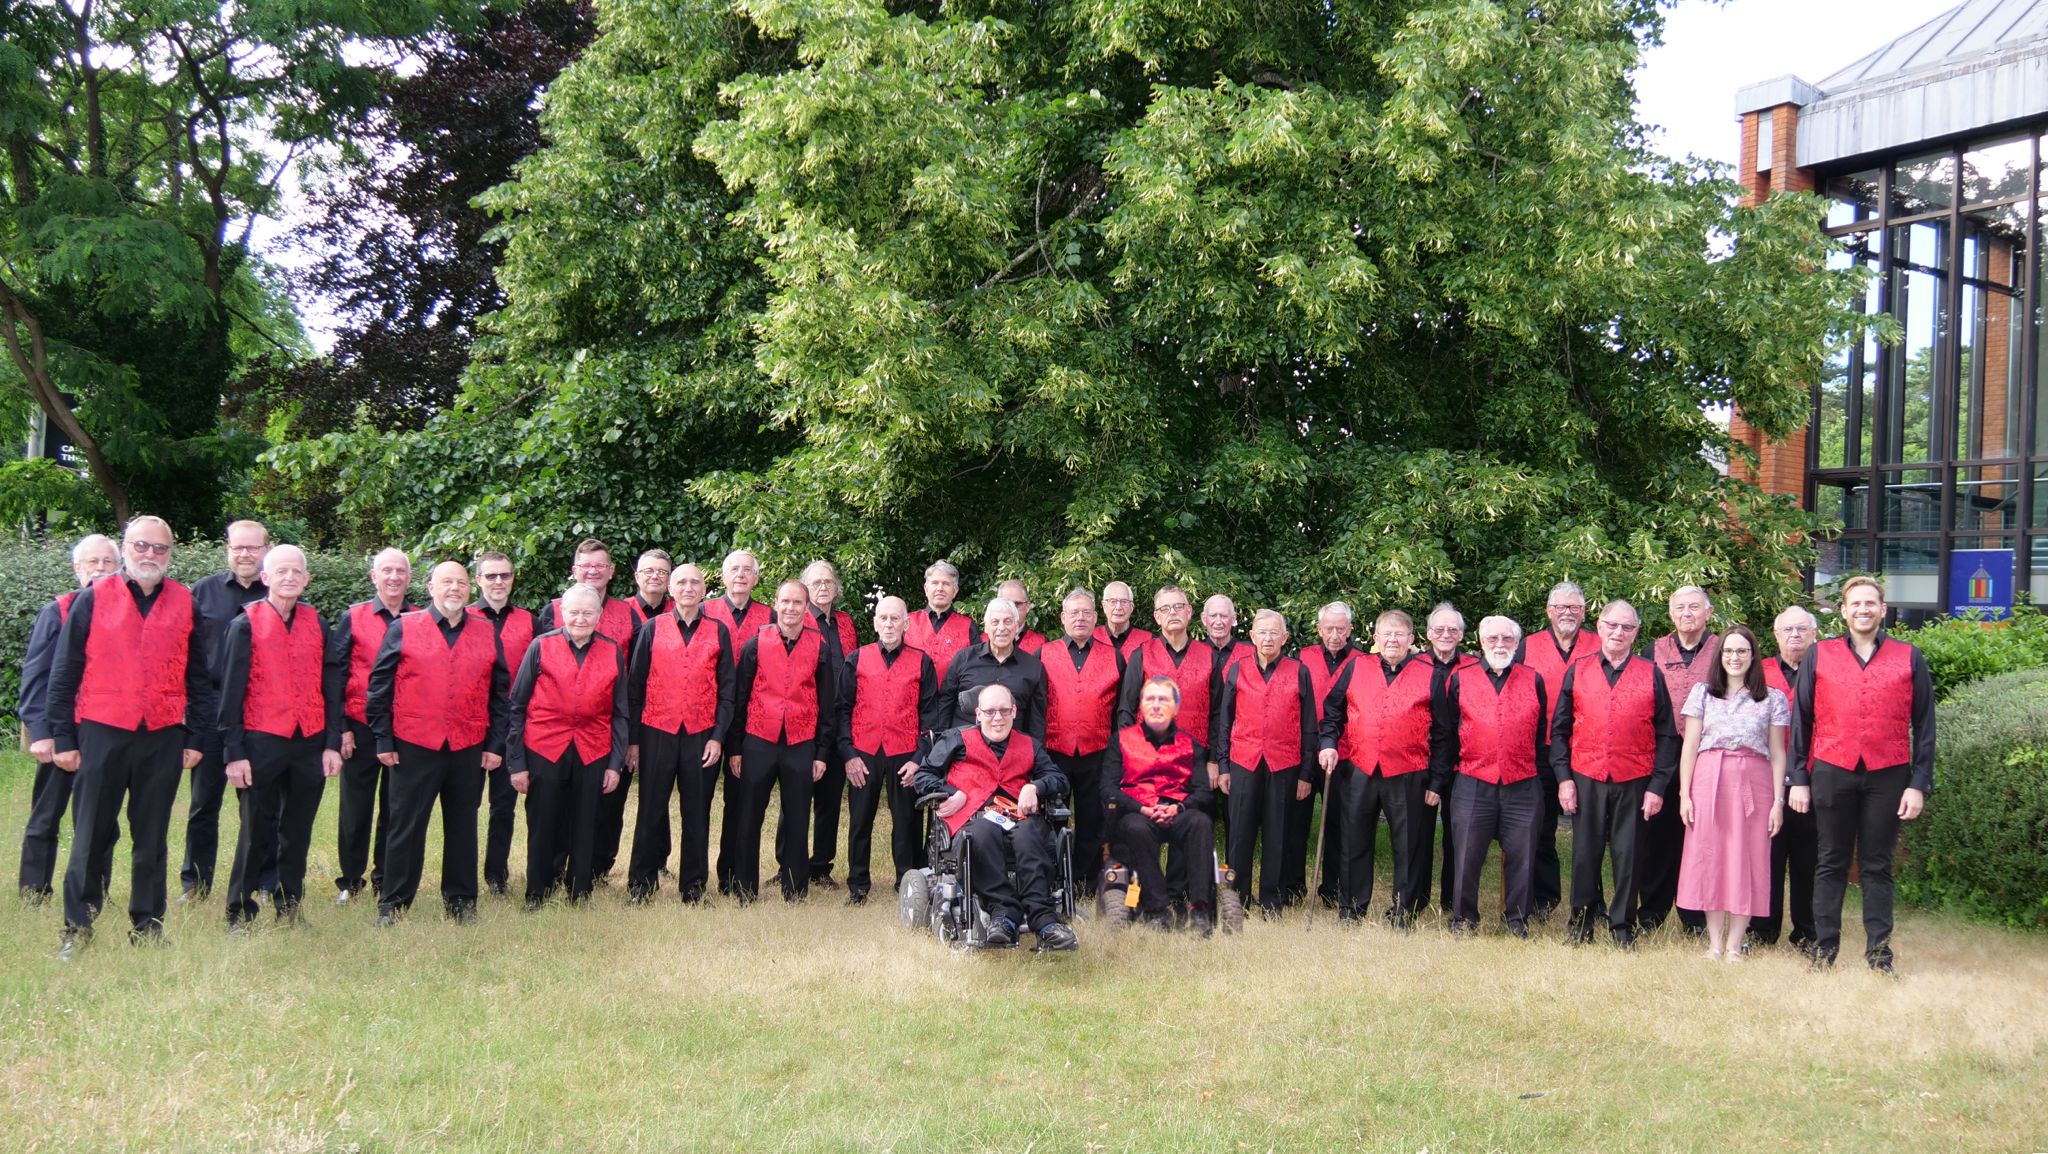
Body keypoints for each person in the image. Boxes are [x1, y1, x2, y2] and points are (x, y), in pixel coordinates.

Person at [48, 516, 210, 959]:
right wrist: (63, 737)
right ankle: (77, 926)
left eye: (160, 548)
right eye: (142, 546)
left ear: (170, 554)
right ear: (126, 548)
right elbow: (64, 672)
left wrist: (195, 736)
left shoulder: (186, 602)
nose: (150, 555)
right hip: (102, 730)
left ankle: (147, 924)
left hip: (162, 735)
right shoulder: (93, 598)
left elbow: (199, 678)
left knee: (152, 835)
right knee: (91, 834)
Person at [1789, 576, 1934, 973]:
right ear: (1844, 611)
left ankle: (1879, 954)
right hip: (1833, 770)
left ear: (1883, 610)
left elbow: (1924, 725)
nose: (1863, 610)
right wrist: (1797, 777)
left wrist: (1918, 784)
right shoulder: (1820, 654)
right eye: (1855, 604)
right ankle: (1823, 949)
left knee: (1877, 864)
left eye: (1871, 603)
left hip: (1888, 773)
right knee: (1830, 861)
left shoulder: (1909, 656)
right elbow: (1801, 720)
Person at [365, 561, 511, 926]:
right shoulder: (404, 627)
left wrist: (494, 744)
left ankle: (461, 901)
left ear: (469, 589)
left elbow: (499, 694)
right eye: (447, 582)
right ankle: (393, 904)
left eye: (461, 583)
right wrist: (383, 737)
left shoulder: (485, 630)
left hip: (468, 746)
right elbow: (379, 688)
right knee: (405, 826)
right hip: (414, 744)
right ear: (430, 587)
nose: (455, 589)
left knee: (463, 825)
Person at [216, 545, 340, 929]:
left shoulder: (316, 623)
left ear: (306, 580)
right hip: (260, 740)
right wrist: (234, 753)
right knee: (257, 828)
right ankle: (240, 909)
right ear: (265, 577)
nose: (289, 578)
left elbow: (331, 685)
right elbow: (230, 694)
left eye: (296, 572)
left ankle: (289, 905)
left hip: (309, 741)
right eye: (280, 571)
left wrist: (332, 742)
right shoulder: (244, 624)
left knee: (297, 830)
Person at [1550, 600, 1678, 948]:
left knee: (1629, 855)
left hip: (1634, 778)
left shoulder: (1651, 673)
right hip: (1586, 776)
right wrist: (1564, 778)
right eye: (1612, 625)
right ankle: (1581, 922)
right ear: (1600, 627)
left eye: (1627, 627)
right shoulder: (1578, 669)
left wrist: (1657, 787)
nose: (1618, 632)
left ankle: (1622, 925)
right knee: (1584, 853)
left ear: (1636, 632)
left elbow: (1667, 735)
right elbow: (1559, 731)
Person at [916, 684, 1077, 950]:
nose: (997, 717)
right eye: (990, 711)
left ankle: (1045, 920)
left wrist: (1035, 787)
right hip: (973, 818)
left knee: (1030, 834)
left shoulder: (1029, 744)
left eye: (1004, 710)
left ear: (1014, 711)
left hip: (1018, 817)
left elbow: (1059, 779)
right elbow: (924, 775)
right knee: (982, 832)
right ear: (977, 714)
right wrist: (950, 793)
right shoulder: (956, 739)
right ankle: (1003, 915)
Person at [508, 584, 629, 907]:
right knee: (544, 821)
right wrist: (517, 763)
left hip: (593, 749)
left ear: (599, 616)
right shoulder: (540, 646)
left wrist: (615, 764)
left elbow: (620, 713)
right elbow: (517, 706)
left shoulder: (611, 650)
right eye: (574, 612)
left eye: (588, 612)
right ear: (562, 613)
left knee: (587, 821)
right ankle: (538, 891)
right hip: (544, 747)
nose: (580, 618)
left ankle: (580, 891)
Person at [1429, 616, 1550, 937]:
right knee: (1466, 856)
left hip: (1523, 782)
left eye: (1507, 639)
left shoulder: (1533, 679)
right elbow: (1448, 732)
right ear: (1481, 642)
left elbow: (1539, 734)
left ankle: (1516, 920)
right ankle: (1464, 918)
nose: (1500, 644)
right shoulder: (1460, 679)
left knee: (1523, 857)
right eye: (1493, 638)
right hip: (1472, 780)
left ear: (1517, 642)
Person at [1676, 624, 1789, 962]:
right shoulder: (1702, 693)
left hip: (1754, 782)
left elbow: (1778, 753)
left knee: (1748, 858)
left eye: (1742, 650)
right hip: (1709, 779)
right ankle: (1713, 943)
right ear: (1719, 655)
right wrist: (1685, 794)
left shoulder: (1773, 698)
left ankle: (1735, 945)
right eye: (1728, 651)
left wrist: (1777, 803)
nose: (1734, 657)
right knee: (1710, 857)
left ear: (1753, 655)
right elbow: (1690, 747)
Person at [17, 533, 120, 904]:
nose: (100, 569)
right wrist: (43, 733)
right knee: (46, 815)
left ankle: (95, 891)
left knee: (99, 819)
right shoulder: (57, 611)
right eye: (92, 562)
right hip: (61, 730)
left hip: (104, 732)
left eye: (108, 562)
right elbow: (36, 678)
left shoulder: (124, 615)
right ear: (77, 568)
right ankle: (34, 891)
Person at [1316, 610, 1437, 923]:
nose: (1392, 640)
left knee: (1408, 844)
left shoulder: (1430, 672)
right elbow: (1332, 711)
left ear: (1412, 640)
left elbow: (1446, 732)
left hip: (1409, 771)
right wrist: (1328, 743)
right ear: (1375, 640)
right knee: (1353, 839)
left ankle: (1403, 911)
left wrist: (1436, 780)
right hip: (1360, 766)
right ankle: (1351, 909)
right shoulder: (1357, 666)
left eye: (1399, 634)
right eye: (1386, 634)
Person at [625, 562, 735, 904]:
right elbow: (634, 688)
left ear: (704, 590)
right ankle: (641, 887)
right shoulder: (652, 628)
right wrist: (632, 741)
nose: (688, 588)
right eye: (682, 582)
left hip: (702, 735)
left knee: (697, 813)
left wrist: (718, 736)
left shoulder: (719, 631)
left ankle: (693, 888)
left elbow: (728, 689)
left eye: (695, 582)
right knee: (650, 811)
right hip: (657, 730)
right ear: (672, 590)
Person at [727, 580, 838, 902]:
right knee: (748, 816)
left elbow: (826, 704)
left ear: (806, 608)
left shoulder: (820, 647)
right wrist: (735, 748)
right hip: (758, 740)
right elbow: (739, 698)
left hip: (801, 743)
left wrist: (821, 753)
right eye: (785, 602)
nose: (790, 608)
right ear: (776, 603)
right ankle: (745, 888)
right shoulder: (755, 644)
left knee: (798, 816)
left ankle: (795, 889)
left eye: (797, 603)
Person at [535, 540, 637, 882]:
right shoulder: (552, 610)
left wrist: (629, 740)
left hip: (606, 730)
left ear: (611, 571)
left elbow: (634, 680)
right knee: (556, 805)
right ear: (575, 569)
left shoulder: (628, 613)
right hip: (556, 732)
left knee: (605, 807)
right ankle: (549, 870)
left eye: (600, 565)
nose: (592, 570)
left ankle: (594, 871)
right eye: (585, 565)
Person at [182, 519, 272, 902]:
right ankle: (196, 883)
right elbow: (184, 655)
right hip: (210, 710)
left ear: (266, 549)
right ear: (228, 550)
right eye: (238, 547)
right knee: (204, 803)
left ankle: (264, 881)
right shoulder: (202, 592)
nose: (245, 554)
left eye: (253, 547)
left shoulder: (283, 590)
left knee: (262, 806)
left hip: (261, 715)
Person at [835, 595, 942, 903]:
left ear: (906, 623)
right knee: (860, 820)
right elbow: (842, 709)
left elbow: (929, 716)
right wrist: (848, 755)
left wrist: (919, 759)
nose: (889, 624)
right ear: (875, 622)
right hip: (864, 751)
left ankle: (906, 883)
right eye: (883, 618)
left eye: (895, 618)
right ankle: (857, 884)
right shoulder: (856, 658)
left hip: (904, 752)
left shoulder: (922, 661)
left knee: (907, 821)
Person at [327, 547, 414, 905]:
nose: (393, 577)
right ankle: (350, 878)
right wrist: (342, 727)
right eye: (386, 571)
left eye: (400, 571)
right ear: (373, 577)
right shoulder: (355, 616)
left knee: (396, 807)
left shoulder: (419, 618)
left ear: (409, 578)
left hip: (404, 728)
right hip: (360, 727)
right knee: (356, 808)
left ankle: (386, 876)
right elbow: (337, 674)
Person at [1214, 610, 1314, 914]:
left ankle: (1273, 899)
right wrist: (1223, 766)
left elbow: (1309, 725)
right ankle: (1236, 898)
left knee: (1278, 833)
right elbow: (1224, 722)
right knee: (1239, 835)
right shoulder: (1237, 670)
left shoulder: (1299, 671)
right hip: (1243, 761)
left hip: (1284, 764)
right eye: (1262, 632)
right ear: (1253, 637)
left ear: (1284, 638)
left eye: (1274, 633)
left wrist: (1306, 774)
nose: (1268, 638)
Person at [1103, 677, 1217, 932]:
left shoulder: (1190, 745)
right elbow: (1108, 789)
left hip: (1176, 809)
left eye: (1163, 699)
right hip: (1138, 811)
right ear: (1140, 706)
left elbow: (1203, 792)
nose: (1156, 705)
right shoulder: (1120, 740)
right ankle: (1157, 909)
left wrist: (1179, 808)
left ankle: (1200, 909)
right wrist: (1141, 808)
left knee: (1200, 822)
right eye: (1150, 699)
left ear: (1175, 707)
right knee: (1136, 829)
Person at [1641, 585, 1720, 934]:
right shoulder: (1652, 650)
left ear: (1709, 612)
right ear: (1671, 614)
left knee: (1701, 835)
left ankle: (1696, 917)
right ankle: (1652, 912)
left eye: (1694, 607)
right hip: (1661, 754)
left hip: (1708, 754)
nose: (1686, 613)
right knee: (1657, 835)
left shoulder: (1725, 650)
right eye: (1679, 608)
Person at [1037, 588, 1123, 899]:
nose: (1081, 618)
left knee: (1093, 820)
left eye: (1087, 613)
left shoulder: (1114, 655)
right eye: (1074, 612)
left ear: (1096, 618)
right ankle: (1054, 878)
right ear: (1062, 618)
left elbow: (1122, 708)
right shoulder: (1045, 653)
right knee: (1052, 817)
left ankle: (1086, 881)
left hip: (1097, 750)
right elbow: (1035, 703)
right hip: (1054, 750)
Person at [1518, 581, 1591, 921]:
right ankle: (1543, 901)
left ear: (1584, 612)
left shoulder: (1601, 643)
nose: (1567, 612)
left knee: (1592, 833)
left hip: (1590, 753)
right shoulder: (1527, 646)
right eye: (1561, 607)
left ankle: (1592, 904)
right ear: (1549, 612)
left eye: (1574, 607)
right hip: (1542, 752)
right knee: (1542, 828)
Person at [469, 552, 536, 899]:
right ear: (478, 579)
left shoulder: (529, 621)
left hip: (512, 729)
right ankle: (462, 877)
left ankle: (497, 876)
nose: (498, 582)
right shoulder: (463, 617)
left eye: (505, 576)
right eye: (491, 576)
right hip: (469, 726)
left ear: (512, 579)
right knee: (464, 807)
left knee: (504, 807)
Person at [1755, 605, 1820, 950]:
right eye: (1787, 630)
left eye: (1801, 629)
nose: (1794, 635)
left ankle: (1807, 931)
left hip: (1813, 777)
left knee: (1808, 858)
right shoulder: (1758, 671)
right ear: (1776, 635)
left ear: (1814, 634)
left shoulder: (1825, 669)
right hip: (1765, 777)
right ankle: (1762, 930)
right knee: (1766, 855)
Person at [706, 548, 771, 894]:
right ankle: (688, 874)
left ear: (757, 578)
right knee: (698, 803)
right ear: (723, 575)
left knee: (739, 801)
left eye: (748, 570)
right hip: (706, 715)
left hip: (748, 718)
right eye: (734, 569)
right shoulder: (705, 611)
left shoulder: (770, 616)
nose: (741, 575)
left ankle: (730, 873)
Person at [1293, 601, 1360, 907]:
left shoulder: (1362, 662)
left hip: (1345, 755)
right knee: (1297, 821)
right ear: (1318, 629)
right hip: (1306, 753)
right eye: (1329, 628)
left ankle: (1333, 890)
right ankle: (1292, 887)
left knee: (1338, 825)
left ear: (1350, 630)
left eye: (1341, 629)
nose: (1334, 634)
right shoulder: (1302, 658)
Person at [1115, 586, 1221, 779]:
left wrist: (1213, 760)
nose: (1172, 612)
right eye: (1165, 608)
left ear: (1189, 612)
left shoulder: (1210, 656)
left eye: (1178, 606)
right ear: (1157, 617)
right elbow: (1126, 710)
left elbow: (1217, 714)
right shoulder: (1141, 655)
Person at [1416, 602, 1478, 913]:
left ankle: (1453, 901)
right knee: (1419, 834)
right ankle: (1417, 899)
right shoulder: (1414, 665)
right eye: (1439, 629)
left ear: (1462, 635)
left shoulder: (1474, 667)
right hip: (1420, 761)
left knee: (1458, 836)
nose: (1445, 634)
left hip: (1463, 764)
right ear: (1428, 634)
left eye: (1452, 629)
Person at [801, 559, 857, 887]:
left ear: (836, 588)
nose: (823, 588)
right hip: (805, 720)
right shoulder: (797, 618)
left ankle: (821, 865)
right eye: (817, 583)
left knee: (830, 800)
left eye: (829, 582)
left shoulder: (847, 623)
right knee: (798, 798)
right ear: (805, 588)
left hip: (839, 721)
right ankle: (789, 865)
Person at [938, 598, 1046, 737]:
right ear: (986, 627)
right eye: (995, 622)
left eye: (1008, 621)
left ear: (1016, 626)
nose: (1001, 628)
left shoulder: (1033, 667)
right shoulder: (963, 659)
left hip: (1012, 750)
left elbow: (1036, 721)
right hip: (963, 747)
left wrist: (1036, 755)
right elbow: (945, 704)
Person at [905, 560, 979, 673]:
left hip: (956, 690)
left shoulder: (969, 626)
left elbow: (976, 668)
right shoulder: (906, 622)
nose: (940, 588)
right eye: (935, 583)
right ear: (926, 589)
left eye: (946, 584)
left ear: (955, 591)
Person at [1092, 581, 1152, 658]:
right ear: (1104, 606)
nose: (1118, 607)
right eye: (1113, 601)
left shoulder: (1148, 641)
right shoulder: (1090, 638)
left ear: (1131, 607)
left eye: (1124, 602)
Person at [1201, 594, 1252, 672]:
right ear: (1204, 619)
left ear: (1233, 619)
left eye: (1224, 616)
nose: (1218, 622)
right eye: (1213, 616)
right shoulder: (1193, 654)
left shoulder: (1249, 653)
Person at [997, 579, 1046, 654]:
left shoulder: (1042, 644)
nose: (1011, 609)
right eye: (1006, 604)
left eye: (1016, 604)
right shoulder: (982, 641)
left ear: (1027, 607)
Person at [626, 549, 673, 627]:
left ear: (669, 579)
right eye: (649, 571)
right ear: (637, 577)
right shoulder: (622, 610)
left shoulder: (678, 610)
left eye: (662, 572)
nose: (655, 577)